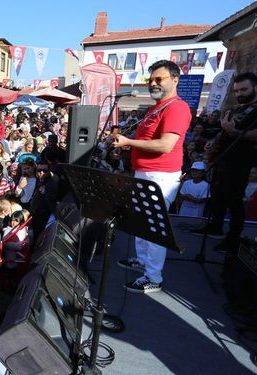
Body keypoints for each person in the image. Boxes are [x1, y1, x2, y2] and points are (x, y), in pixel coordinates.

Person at [113, 60, 191, 293]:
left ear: (175, 80)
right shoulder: (153, 108)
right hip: (144, 172)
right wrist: (127, 149)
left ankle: (153, 277)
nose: (153, 83)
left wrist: (129, 142)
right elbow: (147, 141)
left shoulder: (176, 108)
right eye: (151, 80)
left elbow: (166, 145)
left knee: (154, 227)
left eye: (159, 79)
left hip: (160, 175)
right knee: (142, 222)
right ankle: (143, 261)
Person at [195, 72, 257, 254]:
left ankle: (233, 239)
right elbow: (225, 131)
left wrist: (234, 130)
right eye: (236, 90)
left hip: (242, 160)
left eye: (244, 89)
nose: (239, 94)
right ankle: (215, 227)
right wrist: (214, 141)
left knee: (234, 200)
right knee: (217, 193)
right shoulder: (238, 108)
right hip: (225, 157)